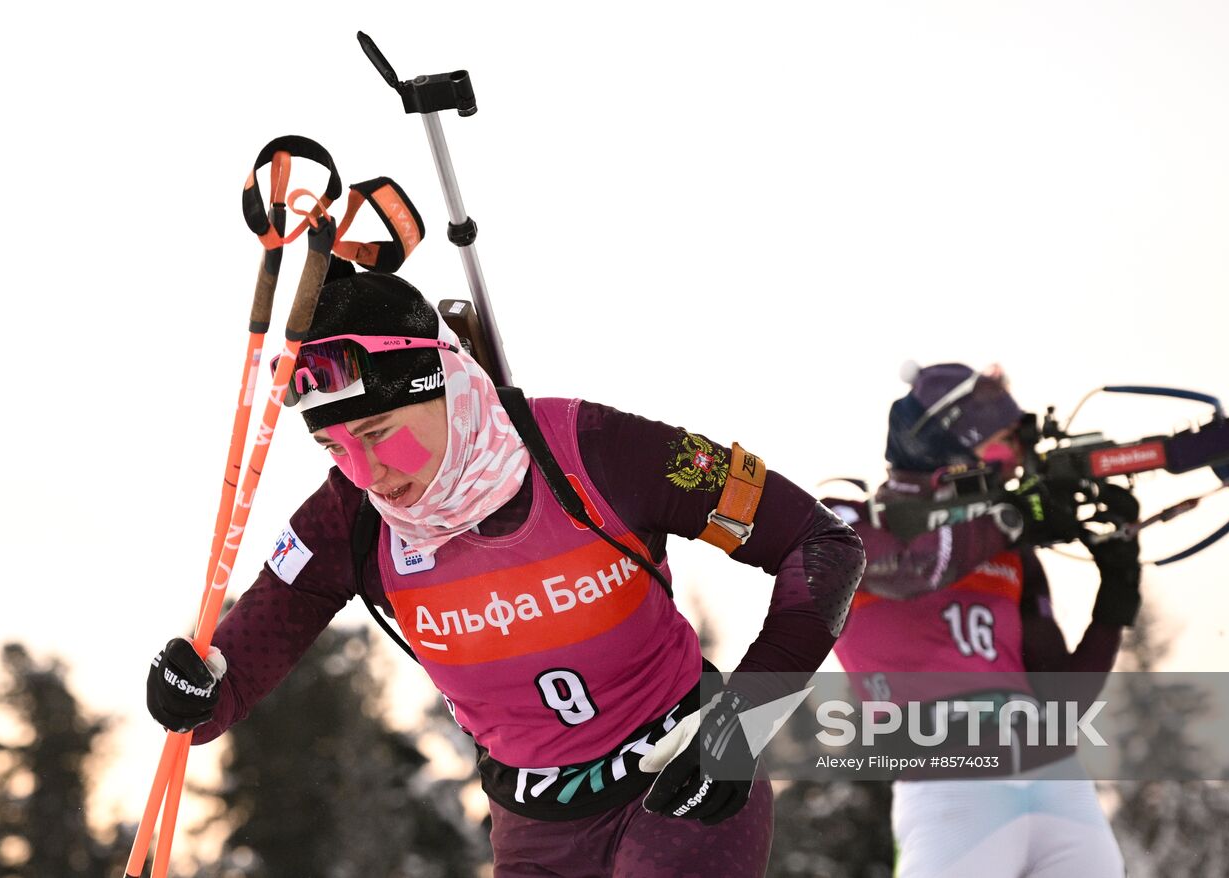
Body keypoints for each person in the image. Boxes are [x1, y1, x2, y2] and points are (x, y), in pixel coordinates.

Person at [145, 261, 865, 877]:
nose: (368, 473)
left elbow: (823, 544)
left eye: (380, 434)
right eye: (335, 448)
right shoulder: (348, 518)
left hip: (678, 778)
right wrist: (195, 694)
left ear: (447, 383)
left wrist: (744, 725)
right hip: (534, 827)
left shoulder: (596, 448)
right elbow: (238, 668)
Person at [822, 362, 1140, 878]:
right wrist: (1010, 520)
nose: (1011, 464)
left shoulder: (1009, 550)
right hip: (948, 782)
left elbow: (1062, 701)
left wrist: (1117, 595)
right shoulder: (846, 520)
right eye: (999, 446)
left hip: (1055, 777)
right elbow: (910, 568)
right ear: (945, 445)